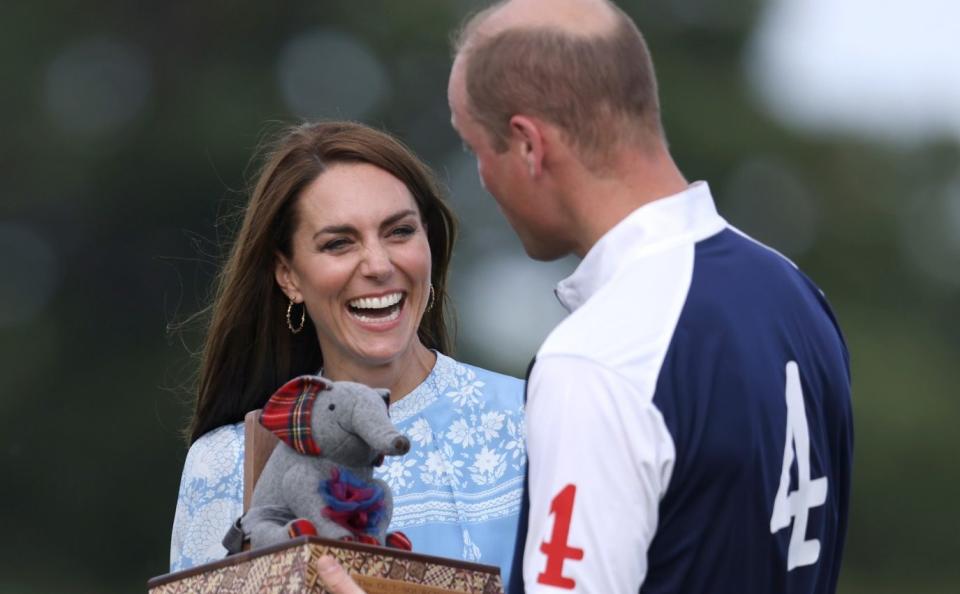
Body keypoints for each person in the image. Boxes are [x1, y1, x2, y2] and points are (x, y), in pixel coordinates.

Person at [319, 0, 853, 592]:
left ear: (527, 145)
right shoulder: (797, 295)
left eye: (477, 150)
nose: (482, 179)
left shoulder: (596, 359)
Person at [169, 121, 527, 586]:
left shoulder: (535, 420)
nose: (378, 266)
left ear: (430, 247)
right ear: (288, 275)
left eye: (399, 232)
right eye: (339, 243)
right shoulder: (224, 463)